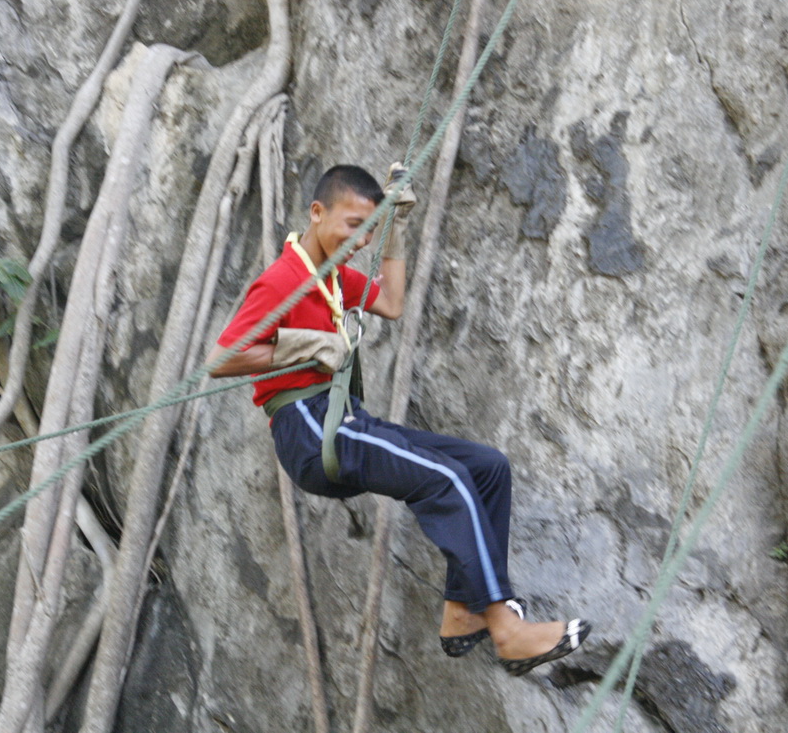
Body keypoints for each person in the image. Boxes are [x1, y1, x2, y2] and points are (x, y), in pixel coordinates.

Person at [206, 163, 589, 675]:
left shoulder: (334, 276)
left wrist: (397, 225)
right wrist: (304, 345)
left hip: (342, 419)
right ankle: (507, 630)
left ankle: (462, 613)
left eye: (367, 231)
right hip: (308, 429)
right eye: (352, 226)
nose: (360, 241)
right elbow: (222, 358)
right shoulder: (284, 280)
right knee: (445, 478)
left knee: (486, 468)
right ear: (317, 213)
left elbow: (390, 301)